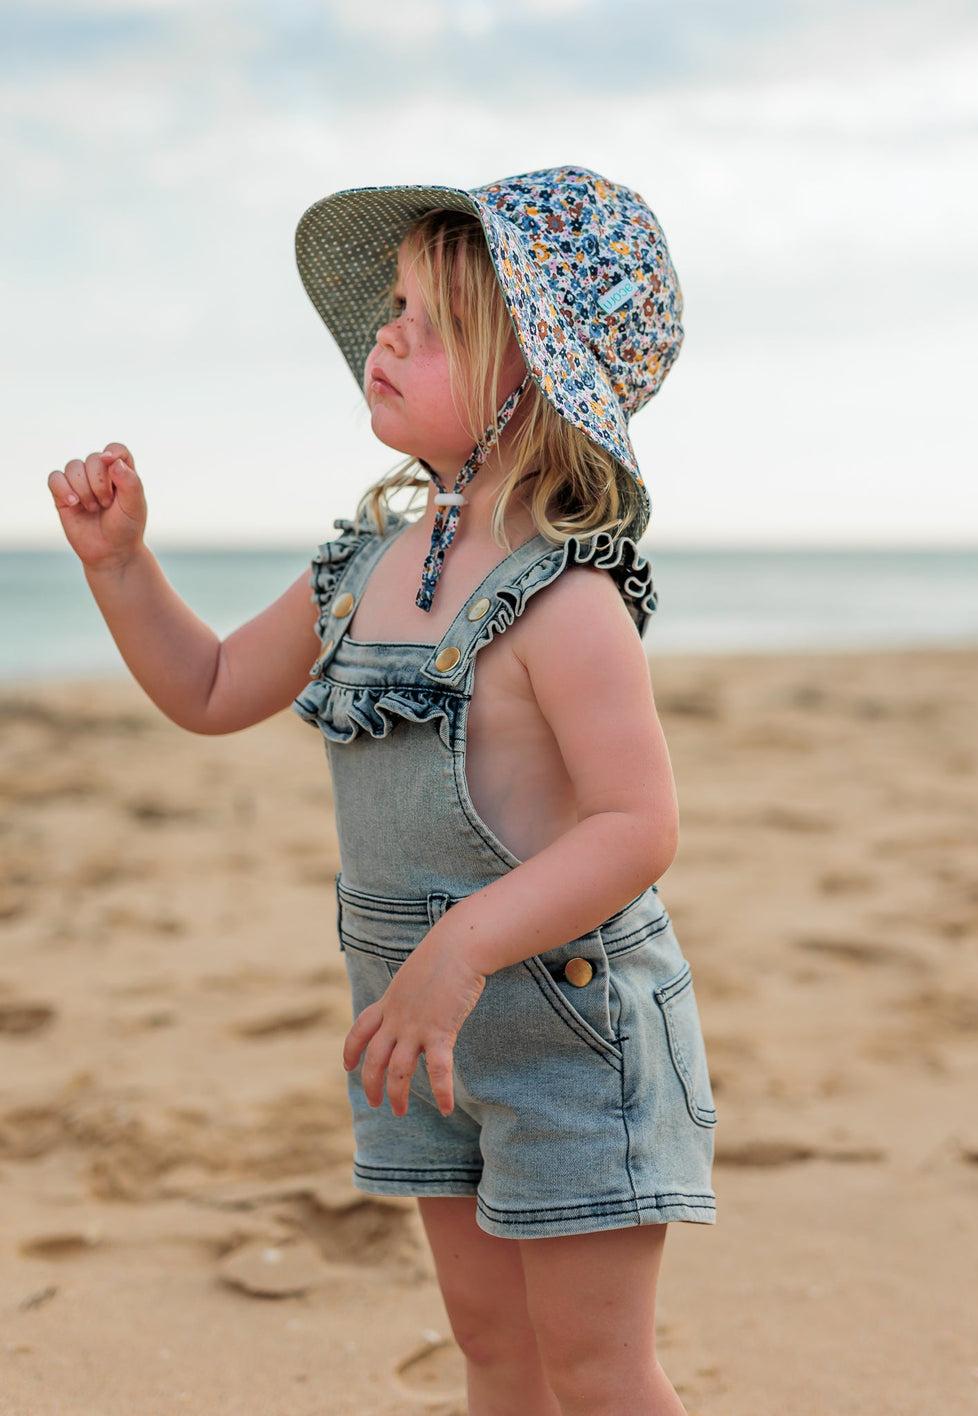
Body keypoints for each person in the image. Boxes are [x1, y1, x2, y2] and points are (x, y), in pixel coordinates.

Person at [48, 166, 716, 1416]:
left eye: (435, 320)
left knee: (594, 1365)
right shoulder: (364, 564)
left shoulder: (565, 602)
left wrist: (461, 951)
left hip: (568, 1035)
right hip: (418, 1036)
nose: (387, 334)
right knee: (492, 1350)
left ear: (536, 377)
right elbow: (206, 688)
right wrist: (123, 567)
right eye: (391, 305)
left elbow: (638, 827)